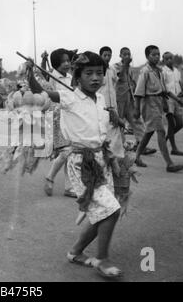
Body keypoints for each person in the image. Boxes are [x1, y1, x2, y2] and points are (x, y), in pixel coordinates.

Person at [26, 52, 124, 279]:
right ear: (77, 77)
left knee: (101, 212)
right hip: (81, 164)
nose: (95, 78)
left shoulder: (100, 99)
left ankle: (75, 252)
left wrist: (114, 117)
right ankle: (101, 259)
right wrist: (31, 72)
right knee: (111, 210)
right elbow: (40, 92)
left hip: (101, 161)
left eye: (99, 73)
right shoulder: (69, 97)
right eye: (89, 73)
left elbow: (98, 124)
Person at [134, 46, 183, 172]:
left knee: (149, 132)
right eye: (153, 55)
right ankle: (169, 163)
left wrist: (176, 100)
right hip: (149, 103)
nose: (156, 57)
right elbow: (138, 93)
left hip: (158, 102)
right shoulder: (145, 71)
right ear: (147, 56)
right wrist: (136, 110)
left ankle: (137, 157)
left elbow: (165, 90)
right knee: (161, 132)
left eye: (158, 54)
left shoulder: (159, 71)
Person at [40, 49, 78, 198]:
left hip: (70, 116)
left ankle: (69, 187)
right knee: (66, 151)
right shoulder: (52, 76)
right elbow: (42, 75)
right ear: (56, 64)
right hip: (57, 117)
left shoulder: (70, 77)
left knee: (70, 154)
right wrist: (43, 60)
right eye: (64, 61)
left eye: (69, 61)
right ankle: (49, 178)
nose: (67, 63)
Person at [113, 48, 156, 155]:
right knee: (119, 123)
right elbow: (120, 77)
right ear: (120, 55)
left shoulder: (130, 68)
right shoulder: (116, 66)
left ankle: (142, 145)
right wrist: (125, 65)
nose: (127, 56)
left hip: (129, 98)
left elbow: (132, 81)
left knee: (136, 121)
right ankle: (120, 146)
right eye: (125, 54)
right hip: (119, 99)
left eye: (128, 54)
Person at [162, 52, 183, 156]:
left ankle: (167, 137)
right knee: (171, 124)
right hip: (169, 99)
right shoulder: (163, 71)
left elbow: (179, 82)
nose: (169, 60)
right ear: (164, 60)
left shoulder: (176, 70)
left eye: (171, 58)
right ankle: (174, 148)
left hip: (177, 98)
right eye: (167, 59)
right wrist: (177, 99)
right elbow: (165, 89)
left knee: (180, 124)